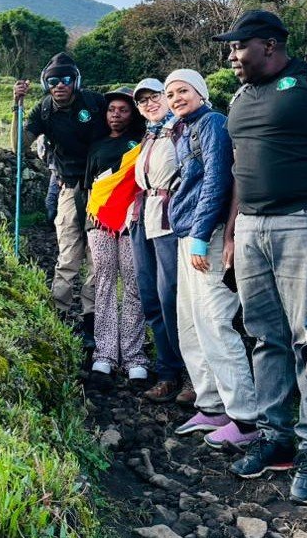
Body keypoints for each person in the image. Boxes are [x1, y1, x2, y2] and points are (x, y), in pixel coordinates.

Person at [217, 11, 307, 504]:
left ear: (269, 44)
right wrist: (232, 233)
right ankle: (275, 436)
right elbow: (239, 170)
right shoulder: (240, 97)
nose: (231, 56)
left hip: (306, 221)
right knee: (264, 336)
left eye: (238, 46)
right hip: (251, 228)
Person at [164, 69, 259, 450]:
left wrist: (203, 235)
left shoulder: (213, 123)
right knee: (190, 322)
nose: (176, 98)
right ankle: (212, 404)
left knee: (215, 321)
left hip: (208, 233)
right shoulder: (184, 129)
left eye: (183, 90)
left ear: (200, 92)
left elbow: (218, 181)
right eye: (170, 93)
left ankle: (245, 418)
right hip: (187, 233)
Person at [12, 53, 108, 331]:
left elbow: (122, 125)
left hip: (101, 188)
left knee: (97, 258)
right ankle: (60, 317)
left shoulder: (94, 103)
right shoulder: (43, 110)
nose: (60, 85)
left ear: (75, 81)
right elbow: (19, 146)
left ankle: (92, 319)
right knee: (68, 256)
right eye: (53, 81)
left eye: (66, 79)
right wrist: (17, 105)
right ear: (46, 84)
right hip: (67, 187)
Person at [128, 78, 193, 405]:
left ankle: (192, 374)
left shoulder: (182, 130)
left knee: (173, 297)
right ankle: (168, 372)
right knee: (151, 297)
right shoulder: (150, 135)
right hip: (144, 216)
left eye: (155, 96)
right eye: (143, 101)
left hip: (170, 218)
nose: (150, 104)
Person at [83, 87, 147, 387]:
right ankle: (105, 355)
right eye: (112, 110)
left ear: (132, 113)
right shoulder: (96, 146)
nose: (116, 115)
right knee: (105, 283)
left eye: (123, 110)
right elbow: (92, 188)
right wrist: (94, 217)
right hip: (100, 223)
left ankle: (135, 357)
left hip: (132, 221)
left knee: (134, 284)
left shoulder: (142, 144)